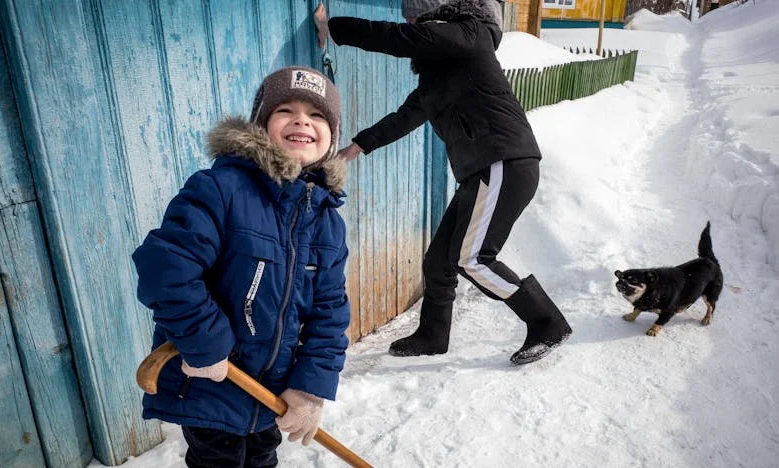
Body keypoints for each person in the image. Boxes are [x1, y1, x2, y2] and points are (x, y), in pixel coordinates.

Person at [314, 0, 572, 365]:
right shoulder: (444, 72)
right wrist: (356, 147)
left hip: (503, 162)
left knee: (474, 259)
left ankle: (547, 322)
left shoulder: (470, 36)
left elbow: (397, 38)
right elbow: (405, 117)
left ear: (435, 14)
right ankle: (433, 334)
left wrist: (333, 28)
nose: (410, 23)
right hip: (481, 171)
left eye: (414, 17)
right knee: (439, 260)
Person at [132, 66, 350, 468]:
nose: (302, 121)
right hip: (212, 383)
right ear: (261, 125)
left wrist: (310, 388)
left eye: (317, 115)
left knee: (262, 460)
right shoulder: (221, 190)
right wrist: (206, 343)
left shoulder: (327, 223)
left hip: (270, 393)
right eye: (285, 110)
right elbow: (166, 268)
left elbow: (330, 312)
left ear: (332, 138)